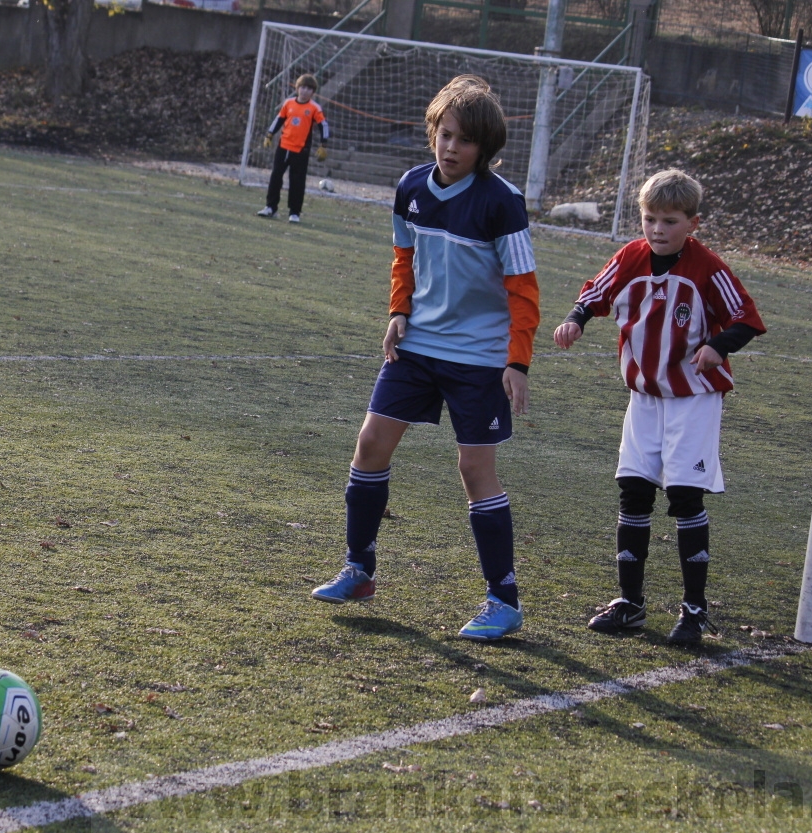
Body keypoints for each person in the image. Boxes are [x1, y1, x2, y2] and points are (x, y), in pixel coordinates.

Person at [309, 75, 540, 641]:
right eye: (445, 134)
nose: (451, 148)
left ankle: (503, 600)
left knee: (474, 470)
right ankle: (359, 570)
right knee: (370, 444)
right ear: (433, 131)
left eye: (465, 140)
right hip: (416, 347)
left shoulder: (501, 202)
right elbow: (403, 256)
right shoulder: (411, 187)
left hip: (478, 358)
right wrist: (399, 310)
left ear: (485, 148)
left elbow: (523, 289)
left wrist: (517, 362)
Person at [553, 168, 766, 645]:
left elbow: (746, 319)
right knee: (633, 489)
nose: (658, 229)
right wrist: (575, 320)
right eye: (650, 219)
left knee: (685, 495)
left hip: (693, 398)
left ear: (693, 224)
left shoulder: (707, 267)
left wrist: (718, 346)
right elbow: (594, 293)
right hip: (645, 397)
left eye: (670, 221)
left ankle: (694, 611)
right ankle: (630, 604)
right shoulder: (631, 256)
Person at [256, 74, 328, 224]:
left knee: (297, 181)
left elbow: (323, 125)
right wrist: (269, 134)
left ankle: (294, 212)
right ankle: (271, 207)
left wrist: (323, 144)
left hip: (301, 150)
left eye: (309, 88)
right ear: (297, 88)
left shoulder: (314, 108)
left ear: (313, 92)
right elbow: (279, 119)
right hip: (283, 147)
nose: (305, 91)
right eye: (303, 87)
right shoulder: (288, 103)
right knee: (276, 176)